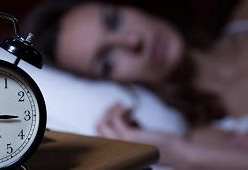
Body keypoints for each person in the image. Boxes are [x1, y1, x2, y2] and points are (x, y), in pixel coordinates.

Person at [23, 0, 248, 169]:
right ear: (110, 85)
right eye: (107, 62)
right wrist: (182, 154)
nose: (132, 41)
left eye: (114, 20)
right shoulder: (211, 139)